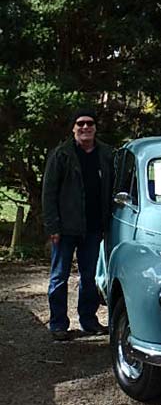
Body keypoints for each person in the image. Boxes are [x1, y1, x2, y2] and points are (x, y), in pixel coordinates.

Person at [42, 109, 114, 341]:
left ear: (95, 127)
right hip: (64, 229)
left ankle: (89, 321)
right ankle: (58, 324)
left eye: (89, 123)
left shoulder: (106, 155)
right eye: (80, 124)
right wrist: (53, 226)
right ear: (73, 128)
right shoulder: (61, 155)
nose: (85, 128)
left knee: (89, 277)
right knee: (59, 277)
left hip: (93, 229)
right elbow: (49, 193)